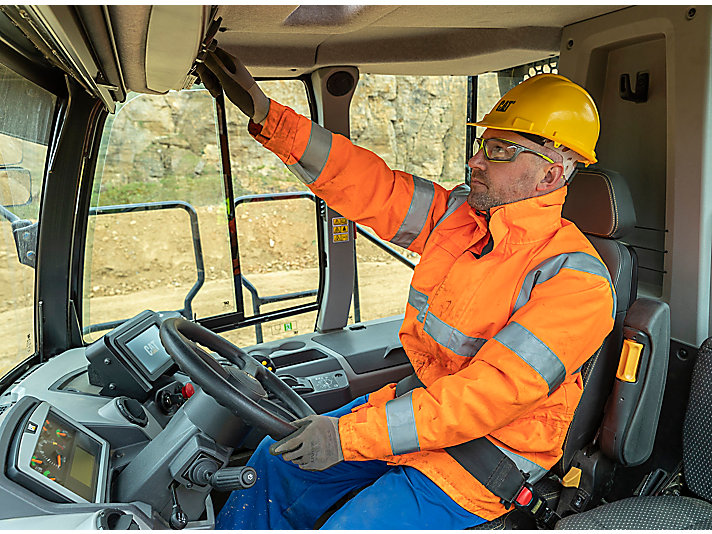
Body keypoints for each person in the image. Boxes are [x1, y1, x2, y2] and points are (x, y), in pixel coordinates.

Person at [196, 48, 615, 529]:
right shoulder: (461, 219)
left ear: (551, 172)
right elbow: (372, 186)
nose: (475, 161)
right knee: (276, 459)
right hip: (422, 408)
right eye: (483, 145)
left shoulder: (576, 281)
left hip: (483, 458)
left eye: (499, 151)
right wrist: (271, 117)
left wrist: (346, 437)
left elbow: (486, 397)